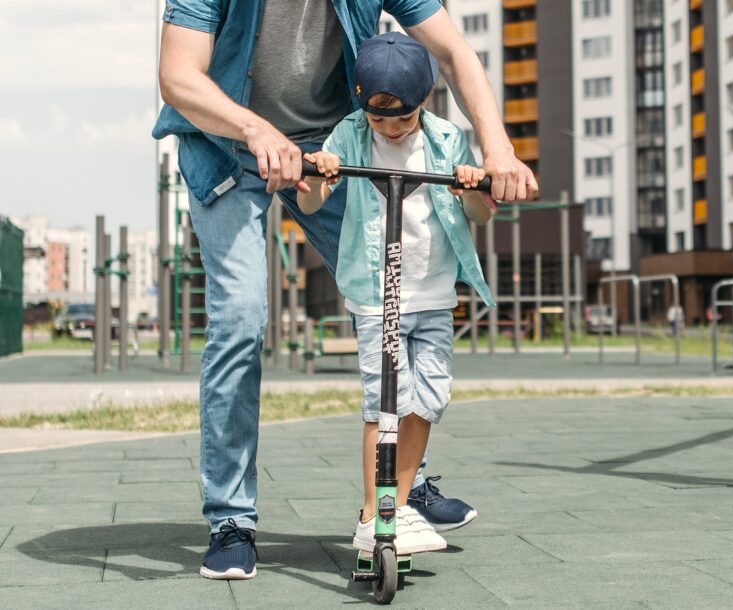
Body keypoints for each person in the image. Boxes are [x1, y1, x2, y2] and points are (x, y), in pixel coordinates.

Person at [153, 0, 538, 580]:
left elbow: (453, 51)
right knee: (240, 321)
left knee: (400, 291)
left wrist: (497, 147)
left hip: (334, 149)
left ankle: (401, 486)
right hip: (226, 144)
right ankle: (232, 520)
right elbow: (178, 76)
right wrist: (258, 129)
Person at [297, 32, 495, 554]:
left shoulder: (447, 141)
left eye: (400, 120)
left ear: (424, 101)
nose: (387, 129)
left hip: (432, 293)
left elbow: (479, 215)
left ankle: (399, 506)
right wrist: (318, 175)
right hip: (376, 295)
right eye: (377, 119)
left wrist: (469, 187)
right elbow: (314, 203)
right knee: (385, 400)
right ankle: (373, 512)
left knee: (428, 399)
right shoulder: (349, 135)